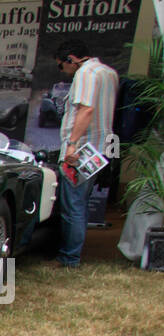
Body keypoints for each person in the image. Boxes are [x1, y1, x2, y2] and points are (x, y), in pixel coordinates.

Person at [55, 38, 118, 268]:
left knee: (73, 205)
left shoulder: (85, 74)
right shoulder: (108, 73)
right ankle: (71, 253)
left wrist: (71, 144)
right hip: (101, 149)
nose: (63, 71)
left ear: (71, 60)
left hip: (82, 150)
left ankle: (69, 257)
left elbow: (86, 108)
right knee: (79, 202)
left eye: (61, 66)